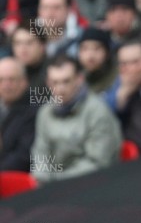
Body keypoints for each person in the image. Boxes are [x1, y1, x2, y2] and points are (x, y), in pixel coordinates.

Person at [30, 54, 121, 182]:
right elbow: (41, 153)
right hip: (53, 187)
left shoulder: (97, 111)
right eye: (55, 82)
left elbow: (98, 163)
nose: (60, 89)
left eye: (66, 81)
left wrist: (56, 181)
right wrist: (42, 178)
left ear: (79, 79)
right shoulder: (45, 112)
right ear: (48, 83)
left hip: (95, 185)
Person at [0, 57, 37, 172]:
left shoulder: (34, 111)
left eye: (11, 80)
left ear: (24, 82)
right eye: (1, 80)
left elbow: (24, 157)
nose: (6, 85)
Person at [77, 26, 117, 94]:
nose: (90, 55)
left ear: (107, 53)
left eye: (97, 48)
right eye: (85, 49)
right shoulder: (74, 78)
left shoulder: (117, 78)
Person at [11, 23, 49, 91]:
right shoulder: (8, 71)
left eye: (29, 43)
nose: (23, 49)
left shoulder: (53, 73)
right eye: (18, 43)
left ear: (43, 46)